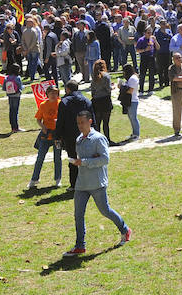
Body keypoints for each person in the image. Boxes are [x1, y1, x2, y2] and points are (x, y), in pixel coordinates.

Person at [62, 110, 132, 257]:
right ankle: (80, 246)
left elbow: (105, 159)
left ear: (90, 121)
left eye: (82, 122)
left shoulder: (98, 139)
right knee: (78, 214)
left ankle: (125, 230)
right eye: (78, 123)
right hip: (82, 183)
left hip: (97, 183)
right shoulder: (79, 139)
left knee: (105, 211)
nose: (80, 126)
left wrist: (86, 162)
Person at [56, 80, 94, 189]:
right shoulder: (86, 101)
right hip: (85, 133)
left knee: (72, 159)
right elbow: (93, 118)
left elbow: (60, 121)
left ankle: (74, 184)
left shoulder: (64, 102)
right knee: (87, 158)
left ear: (67, 89)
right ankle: (89, 182)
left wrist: (57, 136)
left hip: (70, 135)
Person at [27, 85, 63, 189]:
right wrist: (42, 127)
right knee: (40, 157)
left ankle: (58, 179)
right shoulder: (43, 105)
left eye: (55, 93)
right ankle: (34, 179)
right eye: (51, 93)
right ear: (47, 94)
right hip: (45, 136)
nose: (53, 95)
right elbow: (38, 119)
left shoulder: (61, 104)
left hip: (57, 135)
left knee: (57, 158)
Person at [90, 60, 113, 141]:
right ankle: (108, 139)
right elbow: (108, 89)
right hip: (105, 100)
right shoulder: (106, 76)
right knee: (106, 123)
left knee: (97, 123)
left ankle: (97, 140)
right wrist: (112, 87)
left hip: (96, 101)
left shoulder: (93, 76)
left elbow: (92, 90)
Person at [135, 26, 159, 95]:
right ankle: (141, 90)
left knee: (151, 74)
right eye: (148, 33)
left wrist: (155, 41)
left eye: (151, 33)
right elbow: (137, 50)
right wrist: (145, 49)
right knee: (142, 74)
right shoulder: (141, 40)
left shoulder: (152, 39)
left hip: (151, 58)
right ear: (144, 33)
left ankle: (150, 89)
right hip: (144, 57)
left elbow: (158, 48)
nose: (149, 34)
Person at [119, 64, 140, 141]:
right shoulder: (131, 78)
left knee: (133, 118)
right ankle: (134, 133)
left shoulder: (133, 78)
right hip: (129, 100)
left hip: (133, 100)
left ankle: (137, 134)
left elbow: (130, 90)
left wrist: (121, 87)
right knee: (131, 118)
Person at [3, 63, 23, 132]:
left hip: (10, 96)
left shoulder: (7, 78)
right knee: (15, 111)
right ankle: (16, 127)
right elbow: (20, 87)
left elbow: (4, 88)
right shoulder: (18, 78)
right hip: (16, 95)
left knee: (11, 111)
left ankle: (12, 127)